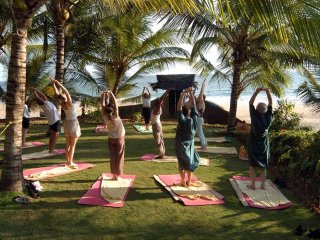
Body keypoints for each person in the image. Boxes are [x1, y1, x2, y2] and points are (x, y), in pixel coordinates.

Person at [51, 77, 81, 168]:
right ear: (65, 97)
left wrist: (53, 84)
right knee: (72, 145)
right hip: (73, 123)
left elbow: (58, 95)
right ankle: (70, 162)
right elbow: (66, 91)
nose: (64, 94)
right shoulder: (69, 103)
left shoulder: (62, 104)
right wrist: (58, 84)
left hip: (67, 123)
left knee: (68, 144)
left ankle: (68, 162)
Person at [247, 88, 273, 190]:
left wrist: (257, 91)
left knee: (252, 164)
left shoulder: (254, 116)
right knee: (263, 165)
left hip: (253, 143)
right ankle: (263, 185)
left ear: (256, 110)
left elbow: (250, 102)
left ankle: (253, 185)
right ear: (266, 111)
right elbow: (270, 102)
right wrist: (267, 91)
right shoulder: (268, 118)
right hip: (264, 144)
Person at [175, 87, 200, 187]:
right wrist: (190, 95)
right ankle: (188, 181)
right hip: (190, 146)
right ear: (189, 112)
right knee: (190, 162)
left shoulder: (182, 120)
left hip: (180, 145)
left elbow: (178, 108)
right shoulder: (194, 119)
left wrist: (183, 93)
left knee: (181, 163)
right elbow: (194, 105)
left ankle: (183, 182)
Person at [101, 90, 125, 180]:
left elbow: (103, 106)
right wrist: (110, 93)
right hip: (119, 139)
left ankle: (114, 175)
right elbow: (115, 102)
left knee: (113, 157)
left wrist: (103, 96)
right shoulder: (116, 116)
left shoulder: (105, 117)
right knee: (119, 156)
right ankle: (118, 176)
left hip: (111, 139)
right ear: (114, 109)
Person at [32, 87, 60, 153]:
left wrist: (34, 91)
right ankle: (51, 151)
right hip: (56, 122)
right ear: (41, 101)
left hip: (52, 123)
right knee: (54, 138)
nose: (42, 98)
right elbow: (41, 96)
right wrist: (35, 90)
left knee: (52, 137)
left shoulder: (44, 104)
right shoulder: (46, 104)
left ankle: (51, 150)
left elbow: (40, 96)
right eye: (41, 99)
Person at [150, 90, 169, 159]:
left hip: (156, 125)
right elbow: (162, 99)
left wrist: (167, 91)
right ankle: (162, 153)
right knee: (160, 139)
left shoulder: (157, 109)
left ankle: (161, 154)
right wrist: (167, 92)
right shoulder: (159, 108)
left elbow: (161, 99)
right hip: (158, 124)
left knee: (158, 140)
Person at [196, 79, 207, 150]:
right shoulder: (202, 103)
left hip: (199, 119)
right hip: (200, 119)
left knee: (200, 132)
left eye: (200, 96)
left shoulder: (201, 102)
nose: (198, 96)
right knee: (200, 132)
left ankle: (204, 146)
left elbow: (201, 93)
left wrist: (203, 85)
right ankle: (204, 144)